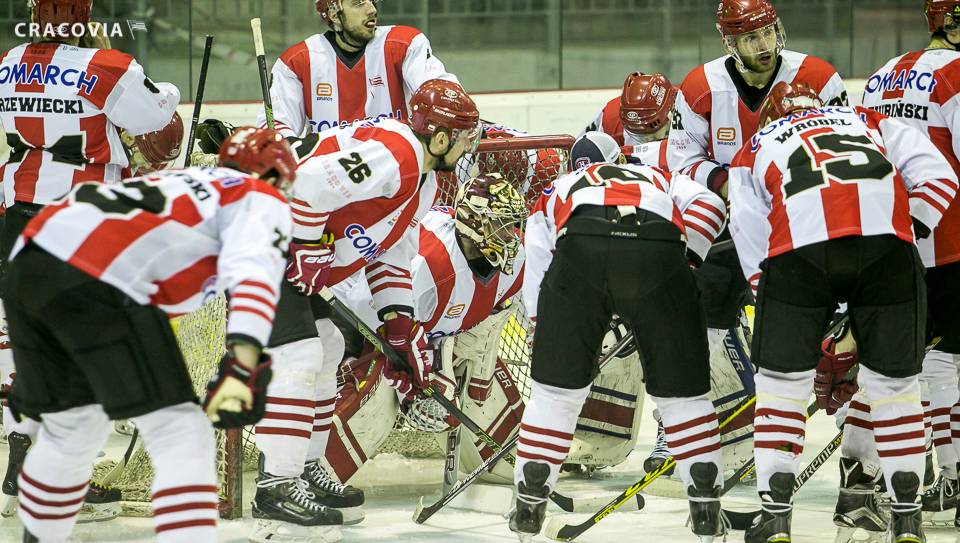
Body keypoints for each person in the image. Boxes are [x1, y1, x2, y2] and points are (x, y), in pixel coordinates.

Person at [3, 127, 296, 543]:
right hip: (101, 278)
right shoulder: (257, 195)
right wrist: (242, 366)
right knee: (181, 431)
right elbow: (256, 278)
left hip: (28, 268)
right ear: (275, 178)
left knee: (73, 427)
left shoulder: (175, 183)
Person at [249, 78, 479, 543]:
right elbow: (308, 186)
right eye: (463, 137)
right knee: (299, 356)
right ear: (438, 137)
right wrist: (311, 247)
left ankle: (307, 468)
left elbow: (389, 256)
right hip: (260, 233)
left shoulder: (427, 184)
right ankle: (274, 487)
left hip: (286, 246)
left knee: (329, 345)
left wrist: (399, 325)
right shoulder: (398, 153)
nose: (468, 146)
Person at [728, 82, 958, 543]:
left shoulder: (753, 148)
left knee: (781, 388)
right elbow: (941, 177)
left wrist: (785, 305)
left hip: (798, 255)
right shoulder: (867, 120)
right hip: (888, 252)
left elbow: (749, 235)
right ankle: (908, 520)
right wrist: (903, 231)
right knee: (896, 391)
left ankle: (776, 518)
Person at [0, 0, 181, 523]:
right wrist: (159, 87)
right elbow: (156, 115)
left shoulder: (11, 59)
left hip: (19, 215)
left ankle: (24, 465)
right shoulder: (105, 66)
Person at [510, 131, 727, 542]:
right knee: (684, 400)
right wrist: (682, 263)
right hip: (657, 246)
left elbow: (538, 258)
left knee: (555, 396)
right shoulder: (656, 175)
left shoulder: (558, 187)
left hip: (581, 243)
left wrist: (547, 326)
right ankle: (705, 508)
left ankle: (529, 503)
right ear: (622, 159)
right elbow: (713, 204)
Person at [841, 0, 960, 532]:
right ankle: (952, 477)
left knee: (889, 365)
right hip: (951, 238)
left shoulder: (884, 73)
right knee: (948, 361)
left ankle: (858, 481)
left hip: (891, 236)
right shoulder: (956, 74)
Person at [257, 0, 458, 137]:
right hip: (329, 183)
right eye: (358, 2)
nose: (372, 10)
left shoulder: (404, 44)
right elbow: (275, 128)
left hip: (397, 177)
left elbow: (443, 93)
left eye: (371, 1)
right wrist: (279, 143)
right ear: (334, 13)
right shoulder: (297, 61)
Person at [581, 71, 677, 169]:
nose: (648, 143)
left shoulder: (689, 110)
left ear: (673, 109)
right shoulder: (610, 122)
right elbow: (583, 157)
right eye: (641, 137)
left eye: (655, 136)